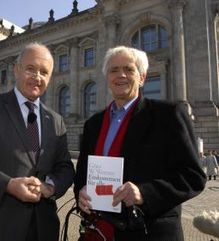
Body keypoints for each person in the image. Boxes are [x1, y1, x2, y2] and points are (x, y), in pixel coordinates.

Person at [74, 46, 207, 241]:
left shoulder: (168, 115)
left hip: (149, 232)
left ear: (142, 77)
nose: (121, 75)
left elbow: (193, 176)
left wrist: (144, 193)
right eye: (114, 70)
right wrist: (81, 192)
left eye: (129, 69)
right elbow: (82, 174)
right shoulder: (92, 124)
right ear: (107, 78)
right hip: (98, 229)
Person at [0, 42, 75, 241]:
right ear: (16, 70)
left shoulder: (55, 120)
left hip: (42, 229)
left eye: (44, 72)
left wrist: (50, 187)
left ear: (50, 77)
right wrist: (8, 185)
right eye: (30, 69)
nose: (37, 77)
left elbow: (65, 167)